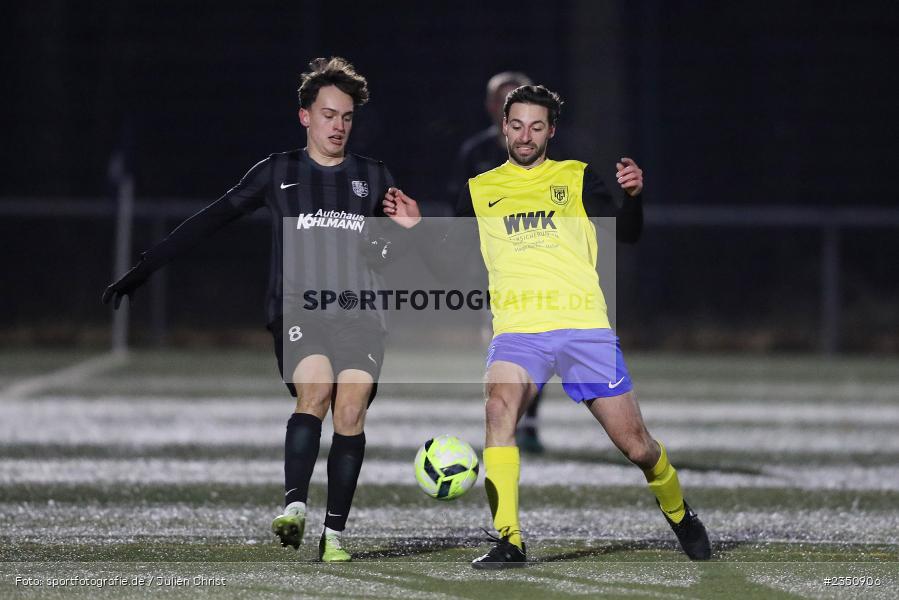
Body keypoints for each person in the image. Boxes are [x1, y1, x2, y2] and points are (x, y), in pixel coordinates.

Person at [383, 84, 711, 568]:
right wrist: (416, 232)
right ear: (504, 127)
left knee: (638, 447)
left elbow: (629, 233)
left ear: (550, 131)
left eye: (537, 126)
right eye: (517, 125)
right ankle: (509, 540)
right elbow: (453, 265)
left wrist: (635, 197)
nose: (525, 135)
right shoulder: (481, 188)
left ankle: (681, 514)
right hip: (518, 331)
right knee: (498, 410)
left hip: (583, 330)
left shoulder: (576, 178)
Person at [102, 57, 399, 563]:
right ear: (305, 116)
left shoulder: (372, 176)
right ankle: (295, 507)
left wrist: (401, 236)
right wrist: (145, 268)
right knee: (317, 391)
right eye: (329, 115)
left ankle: (335, 536)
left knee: (350, 410)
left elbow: (388, 252)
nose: (338, 126)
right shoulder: (276, 172)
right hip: (297, 309)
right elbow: (210, 220)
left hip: (360, 312)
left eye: (347, 117)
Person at [451, 71, 547, 454]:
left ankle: (528, 423)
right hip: (490, 266)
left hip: (535, 260)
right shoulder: (475, 153)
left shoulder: (543, 150)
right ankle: (510, 418)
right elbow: (459, 209)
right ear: (493, 107)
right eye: (503, 99)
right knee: (502, 343)